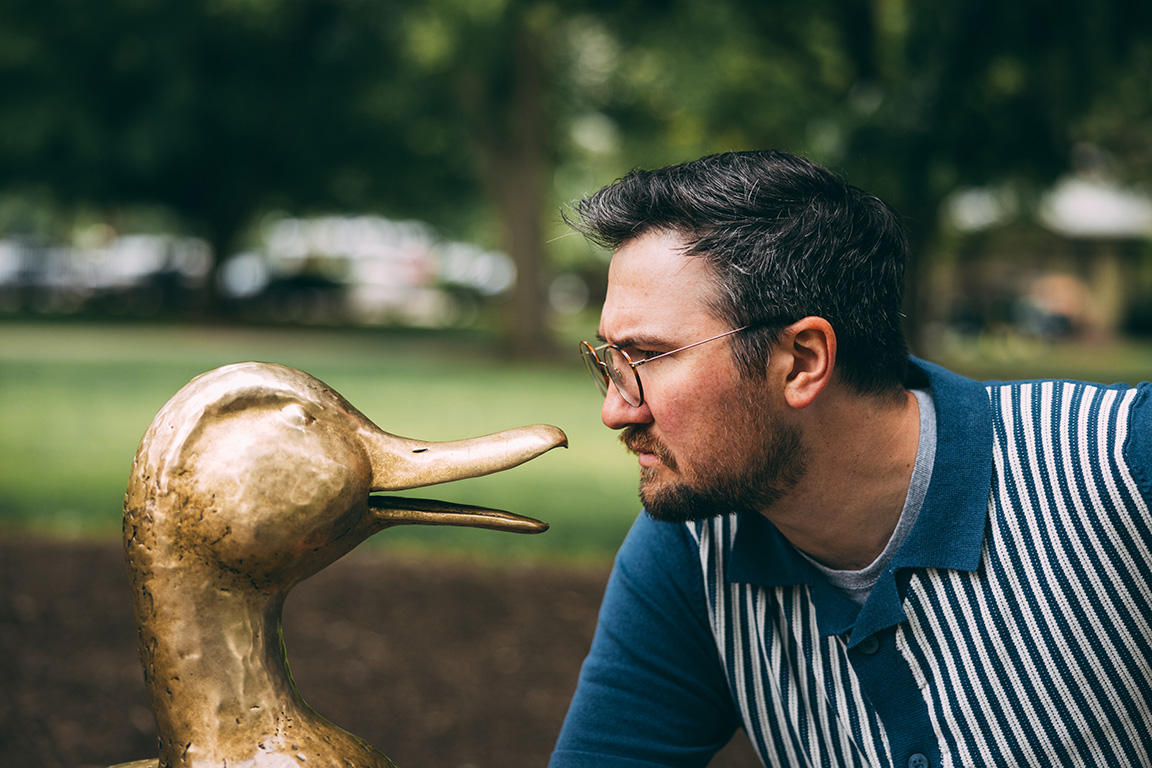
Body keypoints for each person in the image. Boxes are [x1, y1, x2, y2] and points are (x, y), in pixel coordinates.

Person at [549, 150, 1152, 768]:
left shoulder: (1119, 462)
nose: (616, 412)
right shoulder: (694, 548)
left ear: (804, 361)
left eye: (646, 358)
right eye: (609, 363)